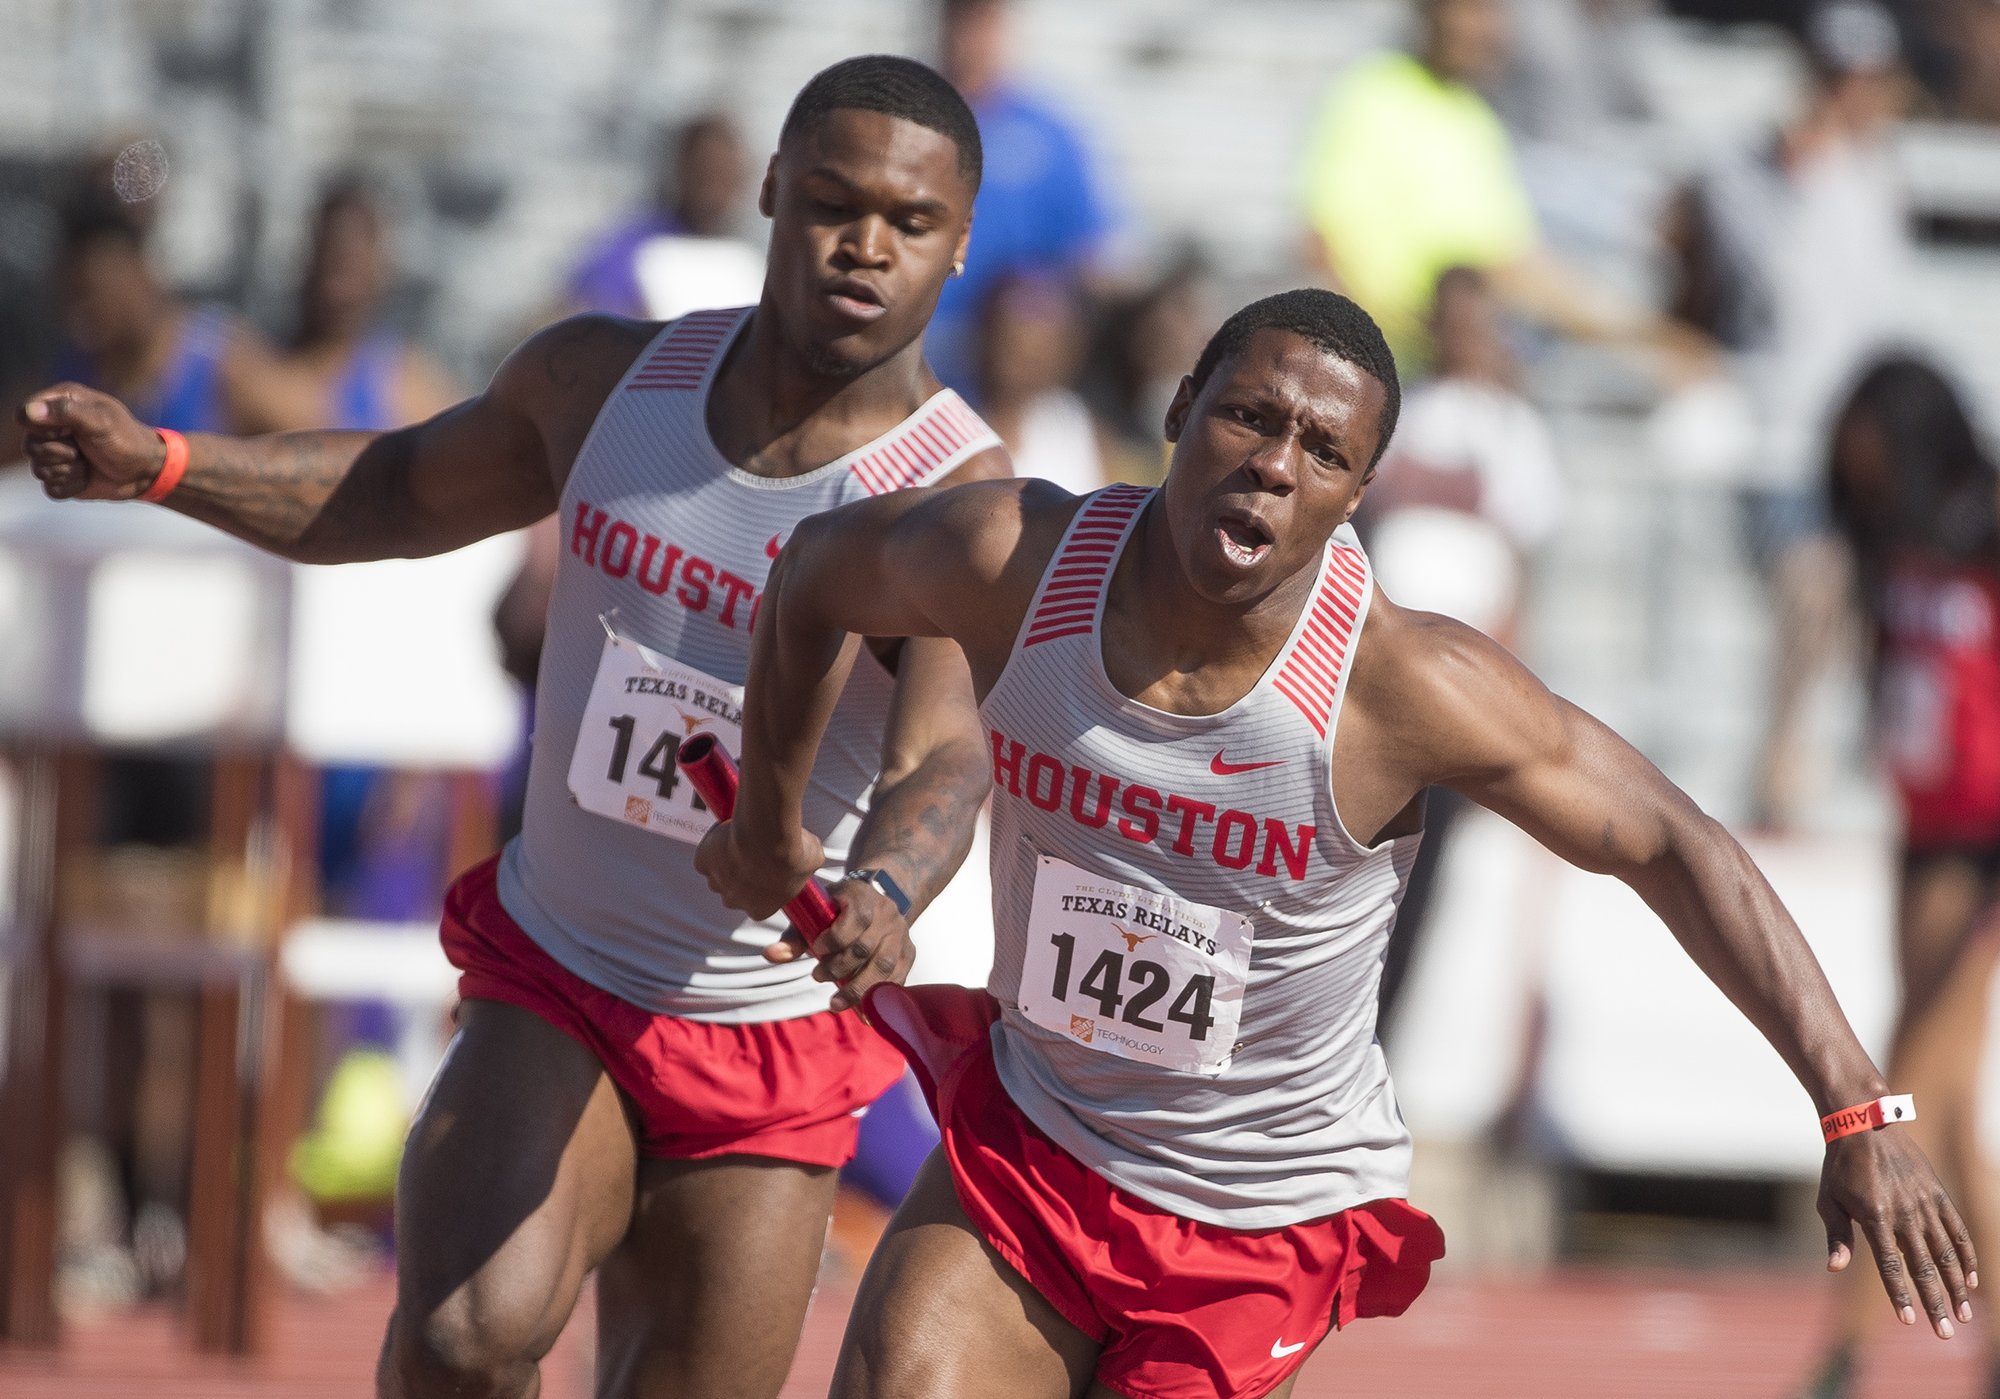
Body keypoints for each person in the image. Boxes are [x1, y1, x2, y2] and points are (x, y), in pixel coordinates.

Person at [697, 288, 1977, 1399]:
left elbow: (1668, 840)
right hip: (1036, 1141)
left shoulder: (1395, 686)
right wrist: (767, 824)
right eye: (1249, 417)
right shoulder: (1015, 560)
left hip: (1245, 1223)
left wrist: (1852, 1105)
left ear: (1358, 493)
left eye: (1322, 450)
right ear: (1180, 407)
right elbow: (811, 571)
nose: (1273, 464)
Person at [22, 54, 1008, 1399]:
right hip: (565, 973)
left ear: (960, 243)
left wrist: (886, 887)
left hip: (766, 1030)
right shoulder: (609, 381)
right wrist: (169, 464)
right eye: (835, 202)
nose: (865, 247)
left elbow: (943, 751)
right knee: (464, 1338)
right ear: (775, 190)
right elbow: (395, 485)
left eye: (910, 221)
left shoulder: (951, 495)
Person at [1793, 356, 2000, 1399]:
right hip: (1921, 832)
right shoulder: (1887, 539)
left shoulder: (1985, 527)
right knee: (1945, 1103)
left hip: (1984, 841)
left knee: (1896, 1090)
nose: (1856, 477)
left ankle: (1842, 1350)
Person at [1666, 0, 1914, 829]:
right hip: (1779, 440)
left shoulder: (1877, 183)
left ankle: (1855, 765)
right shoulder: (1755, 176)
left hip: (1858, 440)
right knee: (1814, 584)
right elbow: (1727, 271)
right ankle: (1780, 768)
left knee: (1865, 598)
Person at [1297, 0, 1706, 375]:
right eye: (1472, 11)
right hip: (1384, 366)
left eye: (1495, 14)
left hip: (1443, 365)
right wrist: (1358, 361)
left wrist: (1648, 337)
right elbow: (1320, 243)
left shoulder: (1478, 122)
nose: (1489, 30)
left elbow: (1516, 261)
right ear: (1429, 13)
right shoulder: (1371, 94)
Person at [928, 0, 1117, 397]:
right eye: (960, 18)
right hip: (915, 346)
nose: (969, 37)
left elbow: (1089, 256)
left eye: (984, 21)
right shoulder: (904, 120)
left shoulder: (1048, 134)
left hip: (1009, 369)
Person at [564, 111, 766, 321]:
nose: (716, 186)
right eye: (706, 170)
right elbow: (583, 310)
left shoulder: (748, 256)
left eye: (727, 173)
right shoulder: (637, 250)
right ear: (682, 168)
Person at [974, 271, 1110, 495]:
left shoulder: (1077, 425)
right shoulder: (952, 422)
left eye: (1040, 355)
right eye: (1012, 347)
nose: (1024, 366)